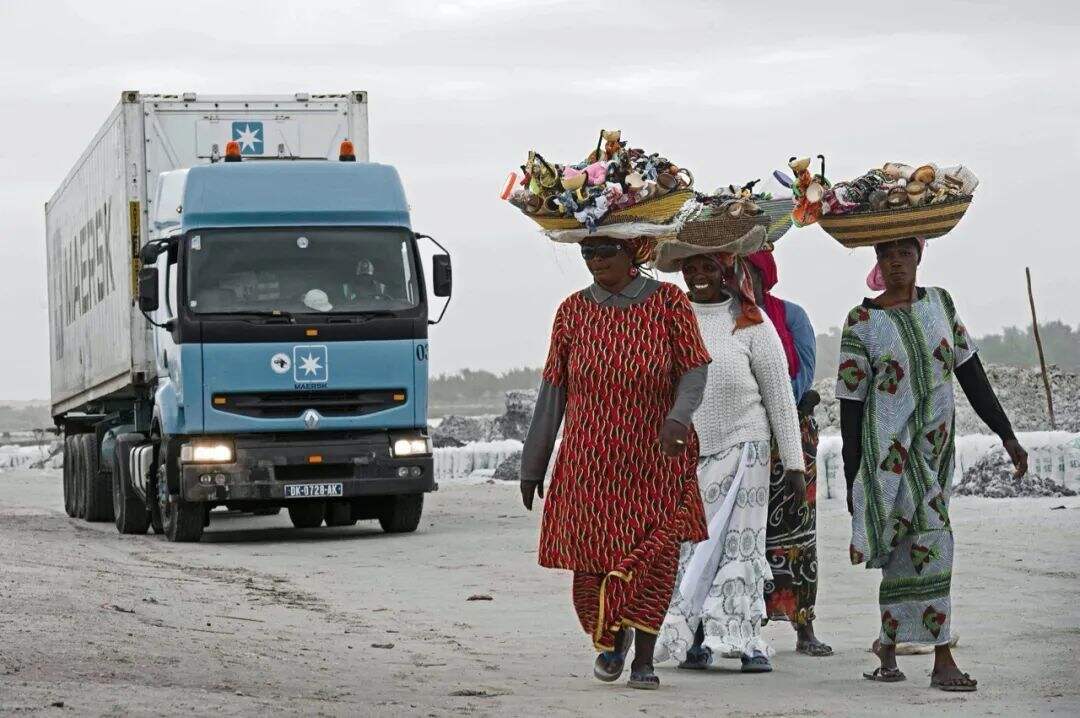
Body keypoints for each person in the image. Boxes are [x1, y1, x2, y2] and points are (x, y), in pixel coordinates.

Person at [519, 234, 712, 691]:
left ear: (635, 254)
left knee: (655, 560)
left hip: (656, 458)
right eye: (588, 253)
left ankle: (644, 658)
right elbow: (553, 392)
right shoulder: (571, 311)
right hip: (589, 464)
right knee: (592, 560)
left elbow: (694, 369)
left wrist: (678, 419)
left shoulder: (669, 304)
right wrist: (532, 465)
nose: (595, 261)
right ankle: (612, 639)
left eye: (605, 252)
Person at [837, 236, 1028, 691]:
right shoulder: (862, 322)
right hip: (889, 455)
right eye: (886, 254)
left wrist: (1006, 433)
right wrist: (853, 477)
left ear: (919, 256)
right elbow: (850, 403)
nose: (896, 262)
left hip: (935, 450)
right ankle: (943, 658)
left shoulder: (940, 303)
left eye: (904, 252)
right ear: (877, 261)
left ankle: (888, 645)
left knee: (908, 544)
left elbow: (970, 372)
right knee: (936, 538)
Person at [653, 247, 806, 674]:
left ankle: (746, 641)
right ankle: (695, 638)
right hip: (688, 454)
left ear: (727, 271)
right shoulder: (671, 321)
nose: (700, 275)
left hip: (746, 448)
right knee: (691, 547)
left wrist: (794, 464)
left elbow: (778, 395)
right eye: (692, 267)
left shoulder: (752, 322)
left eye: (709, 267)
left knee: (741, 544)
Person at [744, 250, 833, 657]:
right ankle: (742, 624)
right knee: (743, 531)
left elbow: (801, 379)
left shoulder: (792, 317)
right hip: (742, 438)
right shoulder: (725, 319)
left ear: (764, 276)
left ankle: (803, 626)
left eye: (746, 271)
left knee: (798, 534)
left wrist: (765, 404)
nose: (737, 279)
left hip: (792, 439)